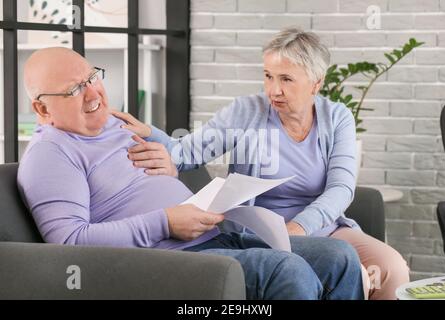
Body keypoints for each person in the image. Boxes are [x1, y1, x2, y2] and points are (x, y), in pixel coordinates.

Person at [17, 47, 365, 300]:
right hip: (169, 258)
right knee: (286, 270)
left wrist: (158, 144)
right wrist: (166, 221)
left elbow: (178, 156)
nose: (93, 93)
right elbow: (69, 244)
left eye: (92, 77)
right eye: (75, 89)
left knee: (338, 257)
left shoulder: (114, 123)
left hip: (213, 236)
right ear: (41, 108)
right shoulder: (51, 154)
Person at [115, 27, 410, 300]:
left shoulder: (337, 118)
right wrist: (151, 133)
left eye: (286, 79)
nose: (273, 90)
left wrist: (299, 227)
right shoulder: (247, 111)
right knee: (348, 270)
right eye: (268, 76)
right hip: (260, 234)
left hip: (322, 227)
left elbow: (342, 188)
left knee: (393, 270)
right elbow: (188, 153)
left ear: (316, 83)